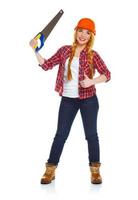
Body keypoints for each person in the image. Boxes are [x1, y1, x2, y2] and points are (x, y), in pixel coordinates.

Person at [29, 18, 111, 184]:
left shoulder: (92, 55)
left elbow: (107, 74)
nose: (83, 35)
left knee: (91, 135)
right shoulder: (64, 51)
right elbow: (46, 65)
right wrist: (35, 51)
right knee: (60, 135)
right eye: (80, 30)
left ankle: (95, 172)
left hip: (89, 100)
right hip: (68, 100)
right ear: (76, 32)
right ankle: (50, 171)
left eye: (87, 33)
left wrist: (92, 81)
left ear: (91, 36)